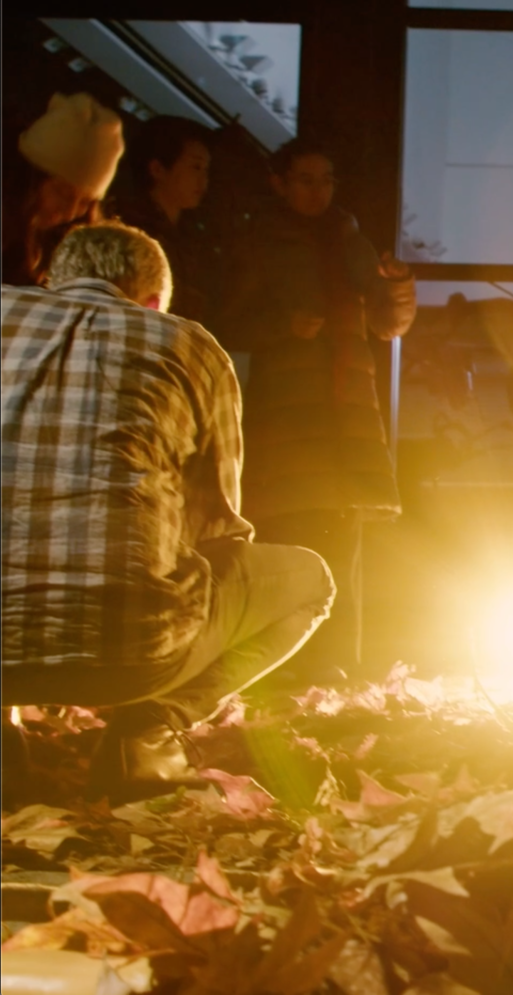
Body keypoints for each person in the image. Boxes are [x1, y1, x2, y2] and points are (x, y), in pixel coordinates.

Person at [2, 224, 334, 799]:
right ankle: (149, 731)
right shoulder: (187, 344)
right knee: (310, 582)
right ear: (153, 301)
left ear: (49, 283)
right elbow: (217, 530)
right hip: (131, 655)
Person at [219, 138, 415, 670]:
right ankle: (285, 683)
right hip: (283, 416)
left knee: (341, 551)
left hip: (346, 414)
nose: (318, 191)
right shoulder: (259, 240)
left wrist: (396, 287)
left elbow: (387, 324)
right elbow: (224, 318)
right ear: (279, 184)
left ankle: (336, 683)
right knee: (289, 543)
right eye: (305, 180)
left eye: (326, 180)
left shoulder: (349, 242)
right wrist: (282, 328)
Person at [108, 116, 226, 333]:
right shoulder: (132, 233)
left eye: (206, 170)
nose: (203, 180)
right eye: (195, 167)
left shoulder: (191, 234)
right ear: (158, 169)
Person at [2, 92, 125, 287]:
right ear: (29, 180)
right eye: (63, 193)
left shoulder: (63, 254)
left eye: (85, 202)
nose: (70, 212)